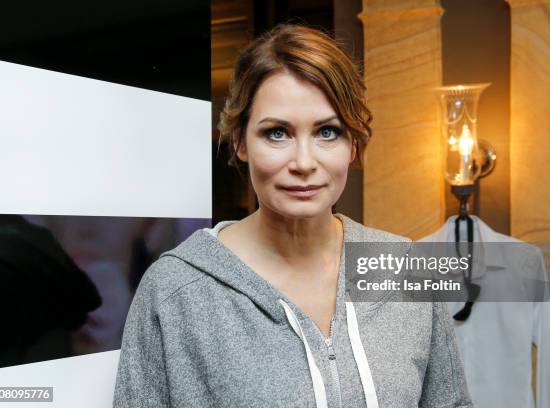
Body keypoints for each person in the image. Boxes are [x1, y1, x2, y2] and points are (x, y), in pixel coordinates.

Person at [113, 24, 473, 407]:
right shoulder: (175, 291)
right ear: (239, 142)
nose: (304, 163)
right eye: (277, 133)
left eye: (328, 132)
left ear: (354, 143)